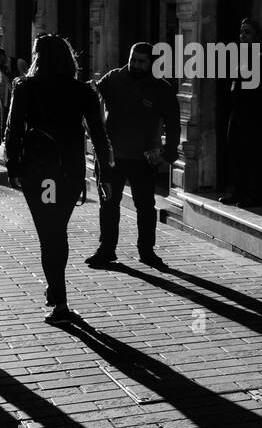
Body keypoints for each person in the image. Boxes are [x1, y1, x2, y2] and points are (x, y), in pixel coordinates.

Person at [2, 34, 114, 323]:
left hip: (41, 172)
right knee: (56, 230)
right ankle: (56, 293)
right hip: (70, 172)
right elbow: (99, 136)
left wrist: (13, 167)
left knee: (49, 234)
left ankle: (60, 302)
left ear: (38, 56)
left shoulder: (25, 87)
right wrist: (105, 173)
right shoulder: (82, 91)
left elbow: (13, 130)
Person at [86, 42, 180, 270]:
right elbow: (92, 99)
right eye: (133, 59)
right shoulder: (114, 78)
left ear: (151, 63)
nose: (135, 65)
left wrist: (166, 153)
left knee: (146, 207)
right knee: (109, 204)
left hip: (144, 158)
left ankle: (147, 252)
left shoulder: (161, 87)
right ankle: (106, 250)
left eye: (141, 61)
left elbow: (174, 123)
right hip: (111, 157)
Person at [220, 16, 262, 208]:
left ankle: (256, 195)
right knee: (235, 150)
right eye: (241, 31)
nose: (242, 36)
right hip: (238, 111)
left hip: (253, 113)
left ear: (257, 36)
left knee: (252, 153)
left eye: (247, 32)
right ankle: (238, 191)